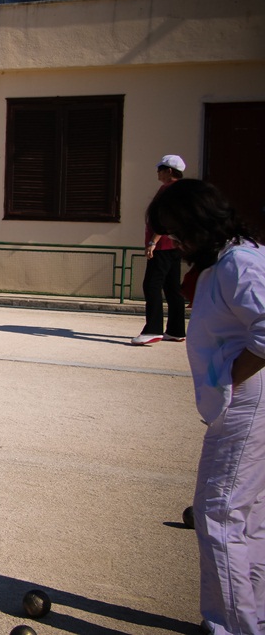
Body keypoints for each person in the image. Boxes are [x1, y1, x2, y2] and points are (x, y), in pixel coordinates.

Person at [147, 179, 264, 635]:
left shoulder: (239, 264)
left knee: (219, 513)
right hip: (242, 402)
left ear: (197, 224)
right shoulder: (230, 260)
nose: (177, 242)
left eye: (177, 231)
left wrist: (228, 382)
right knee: (246, 517)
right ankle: (245, 617)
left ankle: (234, 628)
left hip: (249, 402)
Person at [132, 154, 188, 345]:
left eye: (160, 169)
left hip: (163, 246)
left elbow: (164, 217)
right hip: (174, 245)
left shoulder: (167, 190)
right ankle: (176, 330)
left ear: (169, 171)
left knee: (152, 285)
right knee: (172, 288)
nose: (157, 172)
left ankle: (153, 330)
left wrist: (153, 242)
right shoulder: (181, 190)